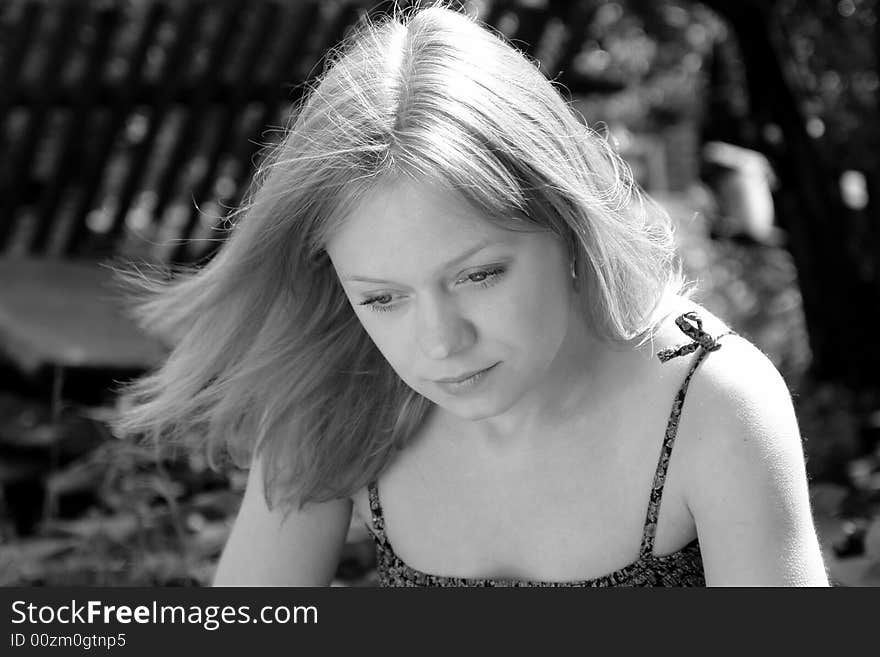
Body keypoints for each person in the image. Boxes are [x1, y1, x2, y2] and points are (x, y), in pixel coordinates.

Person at [114, 5, 829, 586]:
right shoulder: (338, 386)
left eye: (479, 275)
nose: (441, 342)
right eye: (383, 298)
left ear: (568, 222)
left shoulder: (712, 403)